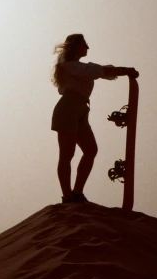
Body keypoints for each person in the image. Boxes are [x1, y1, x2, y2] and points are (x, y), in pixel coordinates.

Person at [51, 33, 139, 204]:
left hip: (81, 110)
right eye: (84, 44)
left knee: (90, 150)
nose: (87, 48)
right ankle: (67, 196)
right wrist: (125, 70)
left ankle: (77, 193)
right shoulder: (69, 66)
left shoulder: (78, 66)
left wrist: (121, 71)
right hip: (68, 109)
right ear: (76, 46)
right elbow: (100, 71)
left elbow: (102, 71)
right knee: (67, 154)